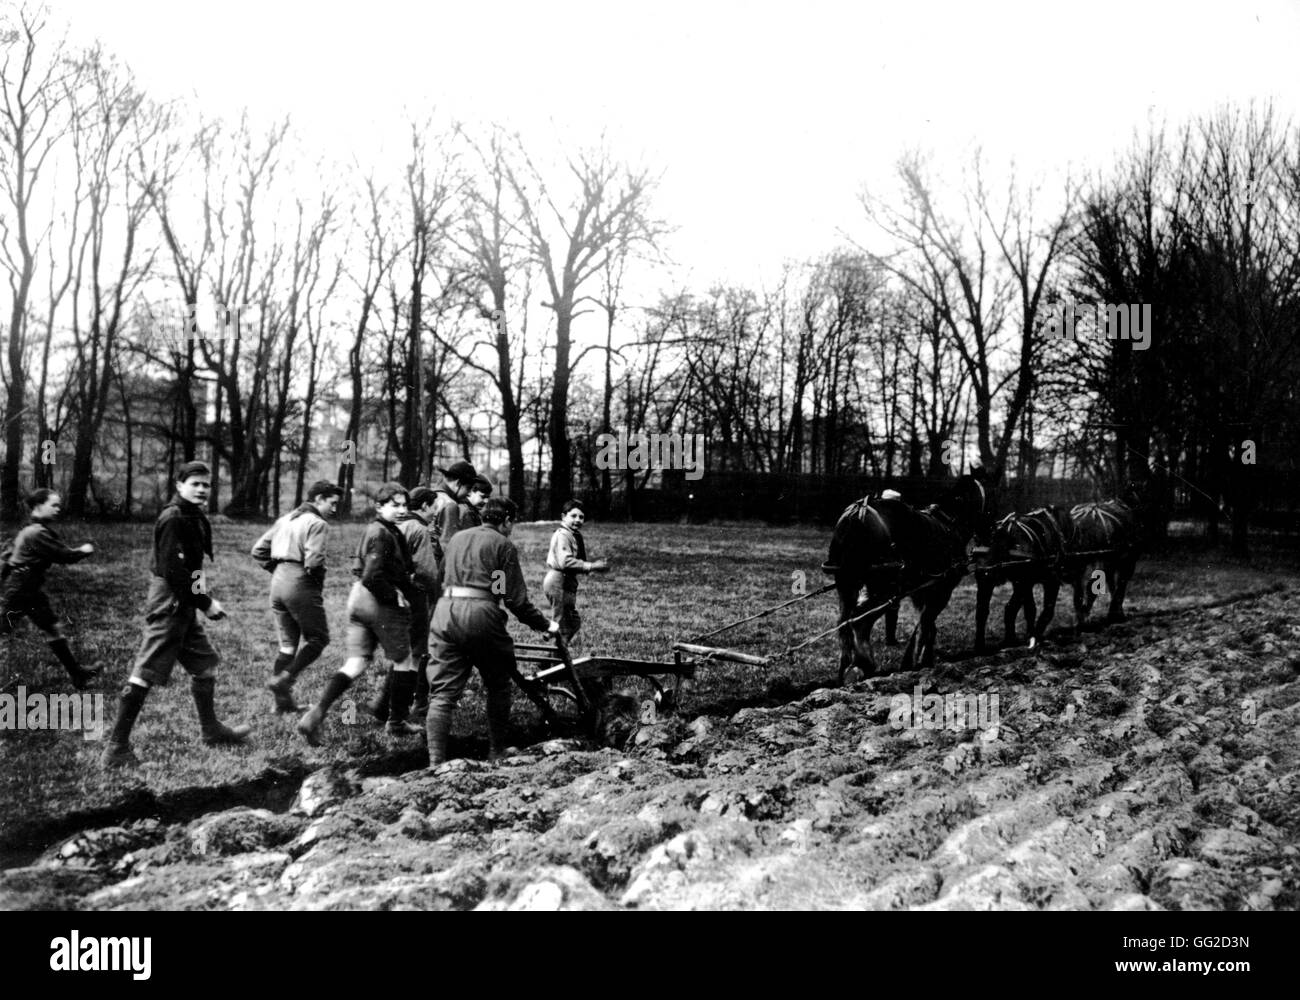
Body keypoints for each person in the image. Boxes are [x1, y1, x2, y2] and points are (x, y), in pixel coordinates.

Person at [101, 462, 250, 769]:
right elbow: (172, 570)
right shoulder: (173, 517)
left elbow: (193, 568)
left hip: (184, 601)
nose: (201, 489)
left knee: (204, 665)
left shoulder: (192, 515)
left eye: (206, 485)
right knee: (144, 672)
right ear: (179, 485)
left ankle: (211, 730)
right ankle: (116, 748)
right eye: (195, 483)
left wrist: (199, 599)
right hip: (170, 600)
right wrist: (205, 602)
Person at [426, 497, 559, 766]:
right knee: (498, 683)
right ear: (507, 520)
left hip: (444, 612)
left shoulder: (457, 539)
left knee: (442, 693)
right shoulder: (503, 545)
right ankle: (496, 751)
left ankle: (434, 763)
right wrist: (546, 624)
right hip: (479, 615)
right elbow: (513, 599)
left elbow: (441, 578)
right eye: (513, 522)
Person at [298, 482, 422, 745]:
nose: (401, 510)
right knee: (404, 661)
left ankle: (315, 714)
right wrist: (396, 596)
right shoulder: (382, 534)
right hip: (377, 600)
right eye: (394, 505)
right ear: (379, 506)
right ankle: (397, 722)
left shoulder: (380, 530)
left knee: (356, 663)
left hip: (357, 600)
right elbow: (373, 576)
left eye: (404, 505)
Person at [250, 480, 343, 714]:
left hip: (278, 584)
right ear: (319, 499)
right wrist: (311, 584)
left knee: (288, 646)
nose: (334, 509)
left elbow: (258, 550)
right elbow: (314, 561)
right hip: (300, 583)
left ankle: (282, 704)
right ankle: (285, 679)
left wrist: (279, 570)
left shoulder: (286, 518)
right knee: (318, 639)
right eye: (331, 503)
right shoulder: (317, 523)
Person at [0, 488, 97, 689]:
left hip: (29, 588)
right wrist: (84, 550)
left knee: (52, 628)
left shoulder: (29, 529)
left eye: (58, 505)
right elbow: (63, 555)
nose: (57, 509)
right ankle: (77, 673)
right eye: (53, 505)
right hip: (21, 589)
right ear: (38, 507)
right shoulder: (36, 533)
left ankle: (77, 674)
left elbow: (7, 559)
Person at [366, 486, 440, 724]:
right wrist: (437, 593)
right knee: (415, 654)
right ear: (425, 506)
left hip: (392, 596)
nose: (437, 511)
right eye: (434, 506)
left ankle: (385, 706)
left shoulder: (394, 527)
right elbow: (427, 571)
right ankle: (401, 711)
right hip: (415, 596)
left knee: (401, 654)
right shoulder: (419, 528)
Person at [542, 499, 609, 648]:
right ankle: (553, 658)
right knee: (564, 623)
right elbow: (565, 561)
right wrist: (591, 566)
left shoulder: (572, 535)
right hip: (558, 581)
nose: (578, 520)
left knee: (572, 622)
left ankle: (551, 659)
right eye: (573, 516)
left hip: (567, 581)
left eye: (581, 517)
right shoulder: (563, 535)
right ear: (563, 516)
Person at [430, 459, 477, 561]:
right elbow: (449, 544)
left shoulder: (431, 495)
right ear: (458, 483)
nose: (469, 494)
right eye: (468, 488)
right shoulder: (450, 505)